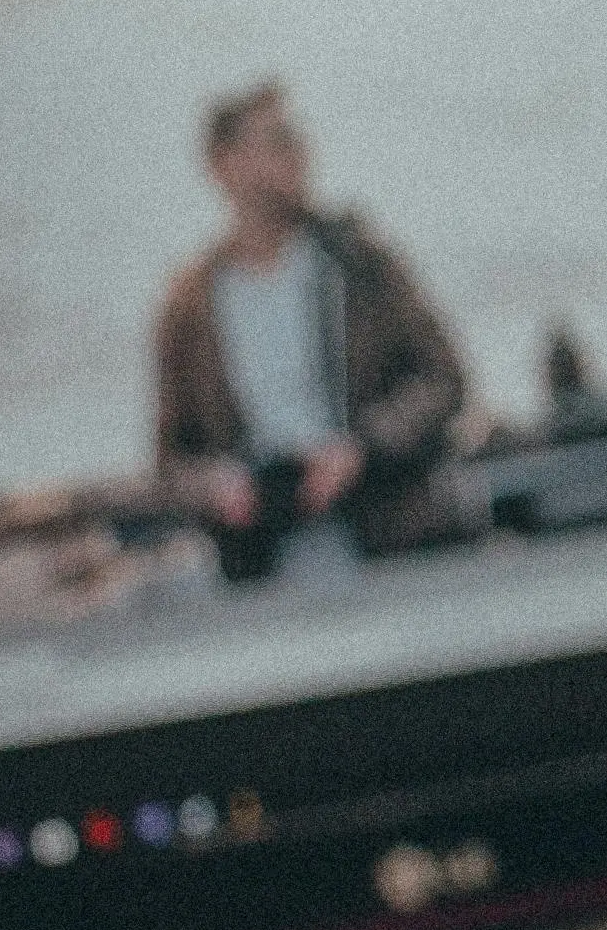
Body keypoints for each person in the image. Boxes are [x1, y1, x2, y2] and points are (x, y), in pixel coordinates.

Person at [153, 82, 470, 582]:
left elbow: (444, 381)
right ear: (224, 165)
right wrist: (218, 484)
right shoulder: (190, 306)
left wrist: (360, 448)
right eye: (279, 141)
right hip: (262, 548)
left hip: (386, 524)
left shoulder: (357, 262)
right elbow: (172, 458)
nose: (300, 155)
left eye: (298, 140)